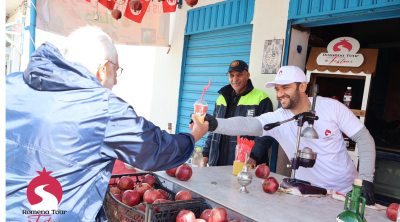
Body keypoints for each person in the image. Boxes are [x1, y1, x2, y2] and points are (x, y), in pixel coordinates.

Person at [5, 26, 209, 222]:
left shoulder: (11, 85)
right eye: (116, 69)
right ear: (102, 69)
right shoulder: (103, 108)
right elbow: (155, 149)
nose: (116, 81)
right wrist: (193, 136)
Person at [204, 66, 376, 205]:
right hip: (305, 193)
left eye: (285, 87)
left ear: (302, 86)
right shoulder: (279, 117)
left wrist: (366, 179)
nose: (279, 94)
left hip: (344, 193)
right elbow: (250, 124)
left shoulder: (332, 107)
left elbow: (364, 138)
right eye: (277, 89)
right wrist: (215, 124)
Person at [201, 60, 274, 167]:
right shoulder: (221, 99)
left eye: (239, 75)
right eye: (232, 75)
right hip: (217, 161)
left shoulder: (261, 99)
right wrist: (206, 152)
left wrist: (254, 156)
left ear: (248, 75)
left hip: (245, 163)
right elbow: (213, 128)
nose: (235, 79)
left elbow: (267, 132)